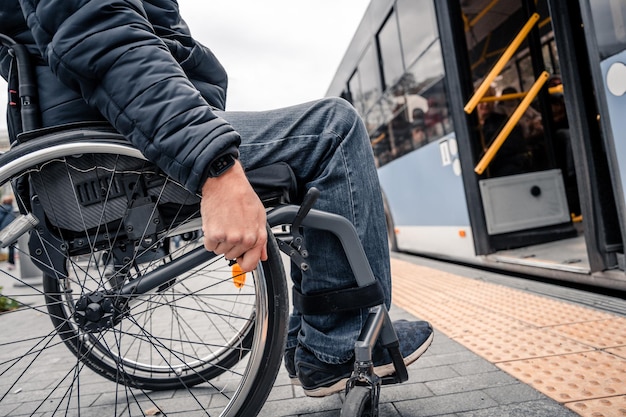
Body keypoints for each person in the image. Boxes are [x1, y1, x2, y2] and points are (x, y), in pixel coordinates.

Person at [0, 0, 433, 397]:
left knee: (310, 144)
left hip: (94, 141)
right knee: (333, 131)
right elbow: (107, 41)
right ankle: (339, 348)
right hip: (113, 150)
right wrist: (216, 165)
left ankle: (317, 342)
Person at [476, 86, 528, 177]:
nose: (485, 103)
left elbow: (516, 144)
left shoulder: (503, 121)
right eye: (481, 99)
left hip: (502, 166)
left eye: (489, 99)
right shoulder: (468, 126)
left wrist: (494, 152)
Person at [0, 195, 16, 270]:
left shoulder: (1, 209)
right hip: (12, 230)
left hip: (2, 229)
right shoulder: (12, 210)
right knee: (11, 247)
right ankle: (11, 263)